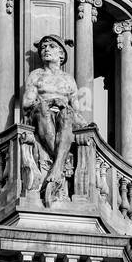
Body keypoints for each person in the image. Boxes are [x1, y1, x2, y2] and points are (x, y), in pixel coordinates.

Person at [20, 35, 79, 193]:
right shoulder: (36, 75)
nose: (46, 49)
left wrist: (86, 126)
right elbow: (26, 104)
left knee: (67, 113)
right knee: (43, 109)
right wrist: (52, 101)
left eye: (51, 46)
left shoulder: (69, 80)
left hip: (63, 119)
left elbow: (76, 109)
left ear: (61, 54)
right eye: (43, 47)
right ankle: (63, 163)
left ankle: (57, 166)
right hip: (40, 115)